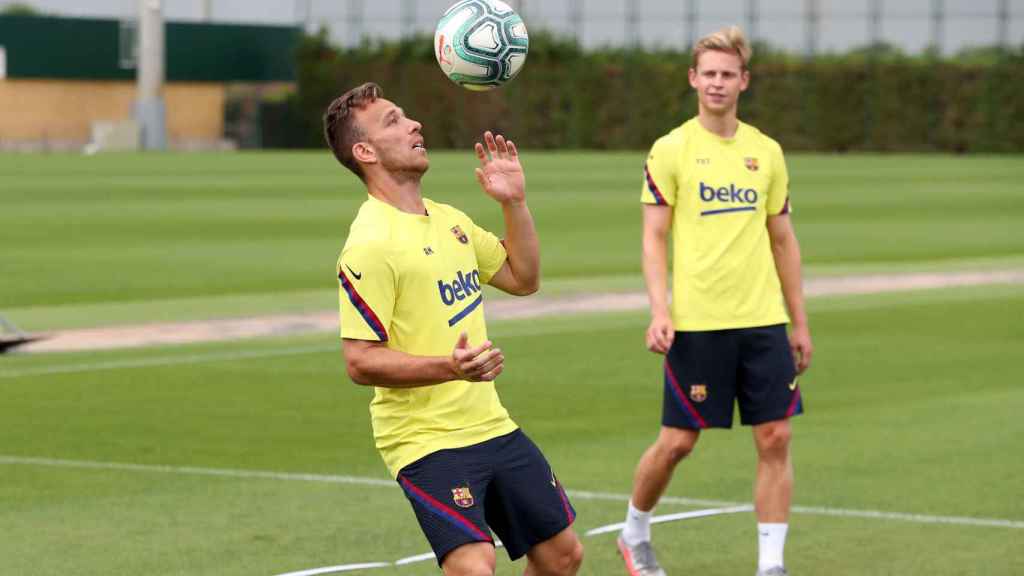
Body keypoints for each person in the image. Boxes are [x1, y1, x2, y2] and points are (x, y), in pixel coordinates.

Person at [325, 83, 583, 576]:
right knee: (474, 567)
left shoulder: (450, 221)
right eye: (394, 121)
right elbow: (359, 361)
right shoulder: (369, 243)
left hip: (490, 423)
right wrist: (449, 367)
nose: (414, 124)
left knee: (562, 555)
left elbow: (522, 278)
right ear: (365, 151)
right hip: (424, 439)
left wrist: (515, 203)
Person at [617, 26, 813, 576]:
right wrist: (659, 309)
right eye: (709, 73)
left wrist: (800, 321)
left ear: (743, 81)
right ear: (693, 79)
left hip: (764, 319)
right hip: (698, 322)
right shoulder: (671, 149)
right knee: (679, 441)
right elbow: (654, 237)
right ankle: (634, 533)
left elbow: (783, 240)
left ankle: (771, 565)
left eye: (728, 74)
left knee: (776, 436)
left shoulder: (766, 152)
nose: (718, 83)